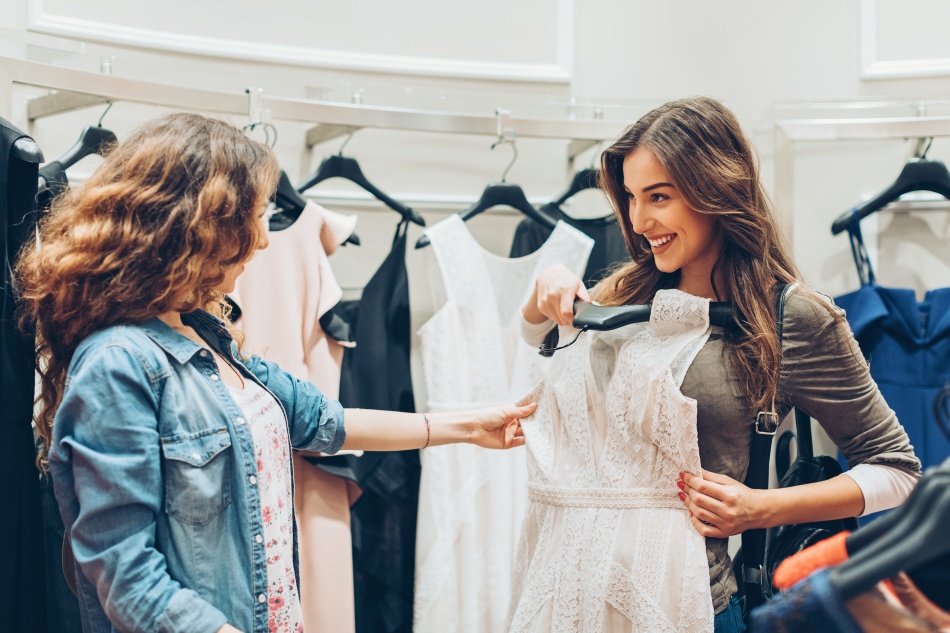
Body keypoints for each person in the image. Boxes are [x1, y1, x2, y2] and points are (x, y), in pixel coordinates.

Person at [15, 112, 535, 633]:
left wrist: (469, 428)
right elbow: (128, 580)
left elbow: (324, 420)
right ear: (194, 224)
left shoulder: (206, 333)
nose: (262, 241)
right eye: (250, 218)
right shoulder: (117, 364)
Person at [519, 97, 920, 632]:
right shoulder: (622, 294)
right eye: (633, 199)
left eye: (658, 197)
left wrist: (762, 507)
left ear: (716, 190)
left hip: (687, 606)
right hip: (570, 599)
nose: (639, 222)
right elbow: (537, 338)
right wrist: (539, 293)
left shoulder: (792, 318)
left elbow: (898, 471)